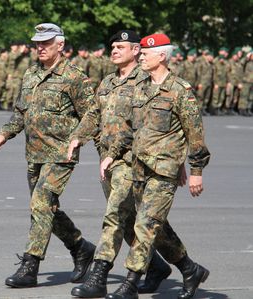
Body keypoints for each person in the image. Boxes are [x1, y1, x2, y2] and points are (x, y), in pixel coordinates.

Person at [68, 30, 205, 299]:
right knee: (148, 224)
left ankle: (113, 277)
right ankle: (187, 268)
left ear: (161, 56)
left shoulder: (173, 88)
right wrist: (97, 146)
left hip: (151, 168)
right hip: (130, 162)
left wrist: (193, 170)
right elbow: (130, 128)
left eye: (144, 52)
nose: (141, 55)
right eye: (113, 46)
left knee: (126, 218)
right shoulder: (131, 86)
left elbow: (193, 134)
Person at [0, 23, 95, 288]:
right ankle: (80, 247)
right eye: (37, 43)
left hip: (61, 153)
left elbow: (92, 114)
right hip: (34, 154)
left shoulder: (73, 76)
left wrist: (78, 140)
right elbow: (21, 112)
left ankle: (30, 266)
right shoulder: (31, 74)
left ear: (60, 45)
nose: (40, 48)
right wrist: (5, 134)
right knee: (47, 209)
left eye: (46, 43)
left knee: (40, 205)